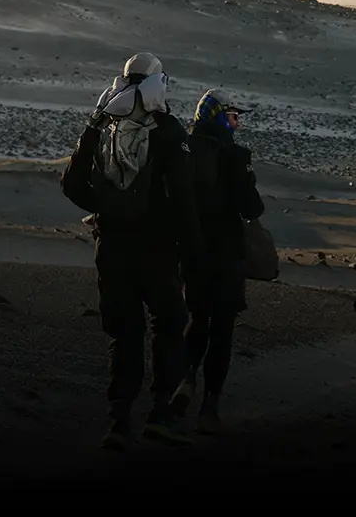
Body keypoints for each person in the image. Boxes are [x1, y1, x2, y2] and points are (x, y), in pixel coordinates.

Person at [60, 52, 203, 450]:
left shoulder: (104, 126)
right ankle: (159, 412)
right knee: (168, 324)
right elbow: (185, 199)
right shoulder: (169, 131)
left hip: (112, 249)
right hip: (157, 249)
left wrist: (106, 209)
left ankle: (119, 419)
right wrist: (192, 250)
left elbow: (72, 185)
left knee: (124, 333)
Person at [171, 88, 264, 434]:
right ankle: (209, 406)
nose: (236, 123)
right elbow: (252, 208)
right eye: (232, 116)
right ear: (219, 117)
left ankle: (187, 378)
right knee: (222, 329)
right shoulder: (236, 156)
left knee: (196, 316)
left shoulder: (184, 151)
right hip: (226, 256)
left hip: (192, 252)